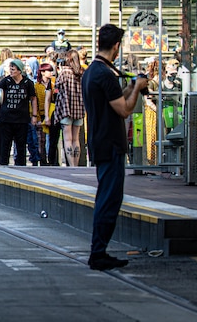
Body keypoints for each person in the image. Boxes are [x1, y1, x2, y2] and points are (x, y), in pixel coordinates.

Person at [83, 24, 147, 271]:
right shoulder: (105, 75)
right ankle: (98, 252)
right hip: (110, 144)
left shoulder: (93, 71)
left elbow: (116, 99)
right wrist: (138, 89)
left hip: (99, 141)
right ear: (117, 46)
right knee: (109, 199)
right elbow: (124, 109)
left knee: (105, 196)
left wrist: (131, 87)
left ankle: (99, 250)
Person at [0, 58, 39, 166]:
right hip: (6, 117)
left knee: (21, 145)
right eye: (10, 69)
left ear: (19, 70)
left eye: (13, 69)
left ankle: (20, 165)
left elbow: (33, 98)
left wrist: (34, 115)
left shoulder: (27, 83)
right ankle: (3, 164)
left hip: (22, 118)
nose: (11, 71)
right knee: (5, 144)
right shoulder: (5, 81)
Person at [55, 49, 85, 166]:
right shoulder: (82, 72)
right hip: (79, 108)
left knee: (67, 139)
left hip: (66, 107)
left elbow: (57, 87)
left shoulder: (65, 72)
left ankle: (71, 164)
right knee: (76, 139)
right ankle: (76, 164)